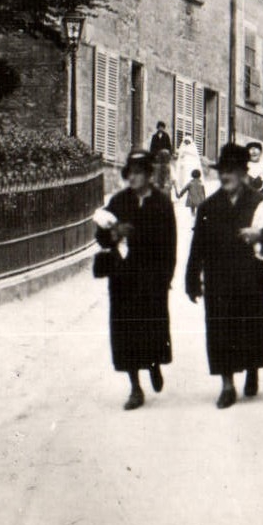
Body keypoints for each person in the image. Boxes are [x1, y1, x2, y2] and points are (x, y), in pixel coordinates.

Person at [185, 143, 263, 407]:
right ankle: (227, 385)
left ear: (242, 173)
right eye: (222, 171)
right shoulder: (208, 208)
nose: (226, 176)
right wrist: (192, 279)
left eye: (232, 171)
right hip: (219, 280)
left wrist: (261, 235)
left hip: (252, 278)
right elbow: (197, 247)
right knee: (220, 330)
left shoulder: (259, 203)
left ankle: (252, 370)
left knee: (255, 327)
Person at [95, 149, 177, 410]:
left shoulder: (162, 203)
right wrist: (115, 233)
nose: (133, 178)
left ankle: (153, 365)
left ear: (148, 175)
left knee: (152, 327)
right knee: (126, 332)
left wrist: (166, 277)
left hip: (153, 275)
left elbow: (170, 244)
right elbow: (102, 236)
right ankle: (135, 388)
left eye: (138, 173)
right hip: (125, 276)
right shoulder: (119, 201)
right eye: (129, 173)